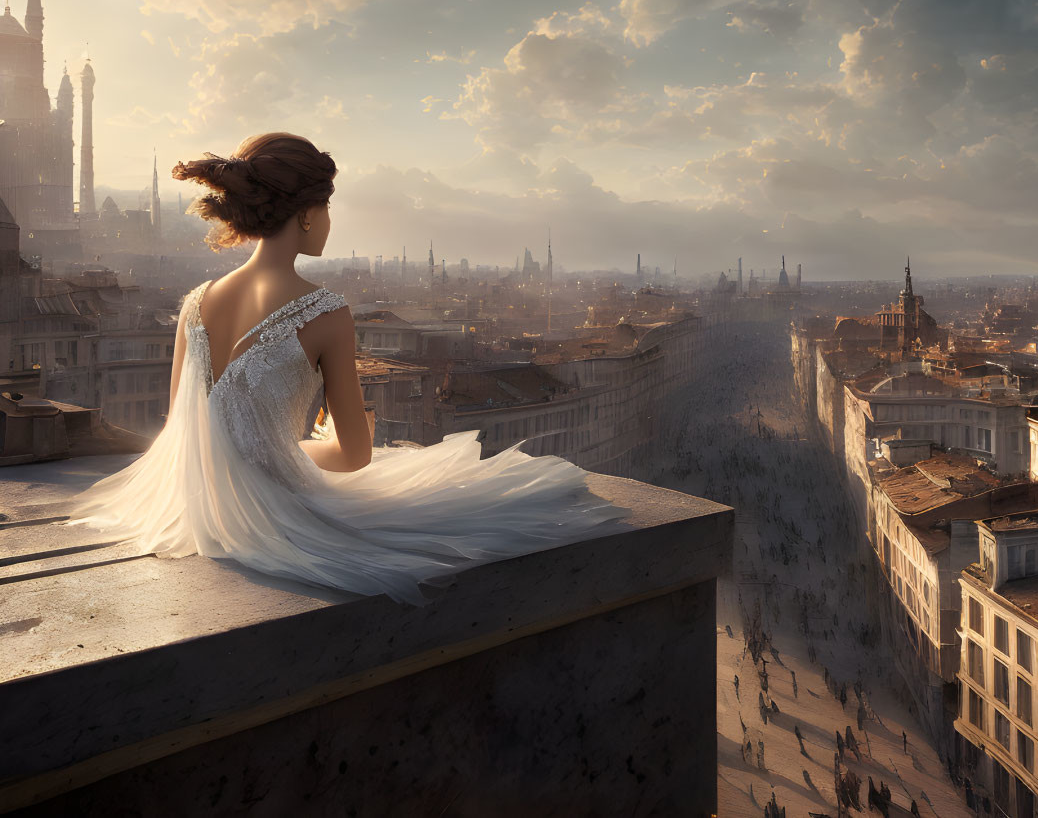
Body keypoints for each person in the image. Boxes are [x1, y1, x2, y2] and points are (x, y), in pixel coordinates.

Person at [66, 133, 624, 604]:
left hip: (196, 505)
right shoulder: (326, 311)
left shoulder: (194, 301)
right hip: (277, 510)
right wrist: (304, 444)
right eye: (328, 206)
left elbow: (180, 433)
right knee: (506, 506)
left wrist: (258, 443)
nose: (330, 220)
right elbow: (353, 457)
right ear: (307, 214)